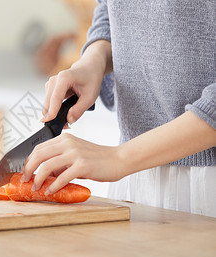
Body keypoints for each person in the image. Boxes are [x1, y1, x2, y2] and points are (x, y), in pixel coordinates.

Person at [21, 0, 216, 217]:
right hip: (134, 177)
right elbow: (111, 8)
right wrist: (94, 61)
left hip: (206, 186)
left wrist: (119, 158)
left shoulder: (120, 159)